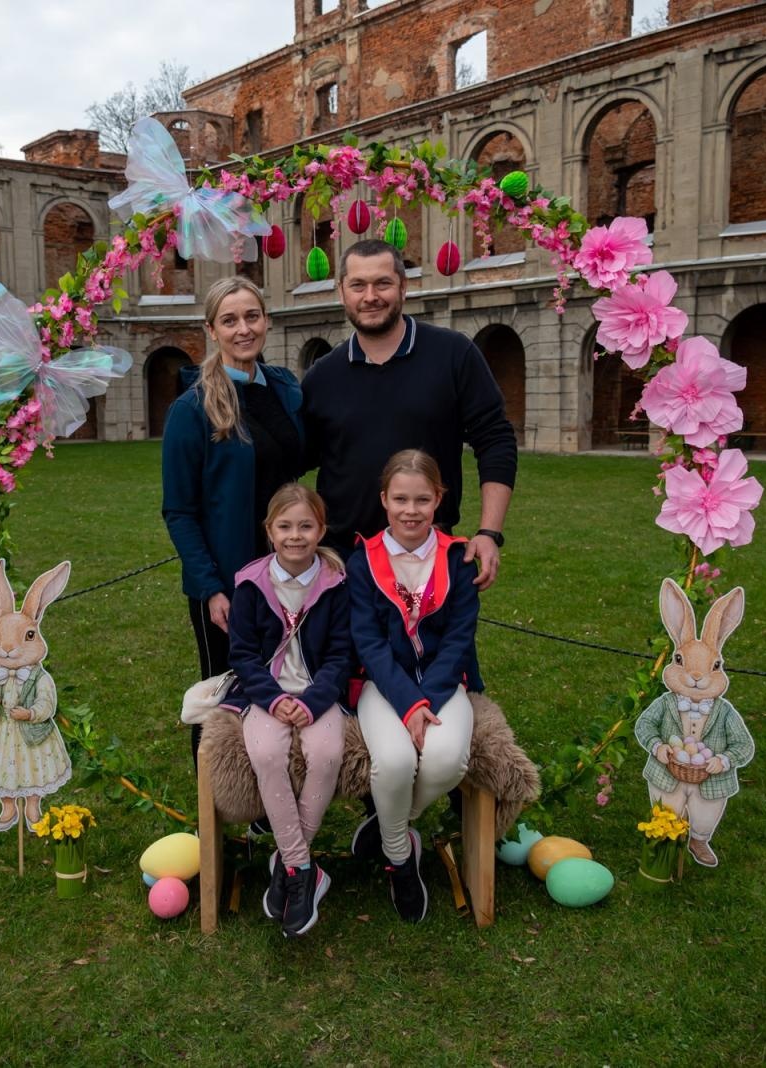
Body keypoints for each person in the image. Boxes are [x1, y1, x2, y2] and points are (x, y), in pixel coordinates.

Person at [302, 239, 517, 591]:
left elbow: (495, 439)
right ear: (341, 292)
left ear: (403, 286)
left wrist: (489, 532)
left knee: (436, 648)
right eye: (358, 285)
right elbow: (293, 458)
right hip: (344, 560)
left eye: (382, 283)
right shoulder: (321, 377)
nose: (370, 296)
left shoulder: (453, 354)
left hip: (430, 553)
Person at [162, 277, 305, 755]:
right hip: (228, 584)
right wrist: (210, 588)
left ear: (266, 320)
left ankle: (271, 805)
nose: (243, 329)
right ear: (211, 329)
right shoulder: (193, 408)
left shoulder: (285, 390)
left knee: (283, 689)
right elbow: (179, 510)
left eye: (251, 316)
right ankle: (217, 810)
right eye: (229, 320)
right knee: (225, 699)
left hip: (289, 574)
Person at [349, 450, 482, 922]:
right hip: (384, 686)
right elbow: (368, 643)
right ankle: (401, 862)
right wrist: (408, 704)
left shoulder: (458, 557)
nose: (411, 510)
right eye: (400, 499)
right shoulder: (363, 561)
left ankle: (392, 828)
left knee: (447, 760)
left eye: (422, 499)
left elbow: (460, 639)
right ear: (384, 500)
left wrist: (431, 698)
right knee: (395, 761)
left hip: (446, 683)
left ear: (439, 499)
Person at [223, 483, 353, 937]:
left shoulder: (336, 584)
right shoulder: (250, 583)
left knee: (327, 755)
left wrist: (314, 700)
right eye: (285, 526)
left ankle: (290, 865)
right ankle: (303, 868)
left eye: (305, 526)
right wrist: (275, 698)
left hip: (319, 695)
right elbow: (241, 655)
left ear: (320, 529)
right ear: (269, 531)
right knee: (267, 755)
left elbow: (341, 655)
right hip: (265, 695)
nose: (295, 536)